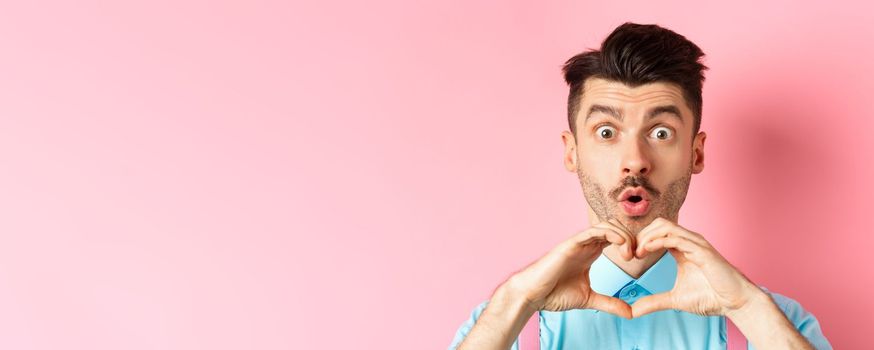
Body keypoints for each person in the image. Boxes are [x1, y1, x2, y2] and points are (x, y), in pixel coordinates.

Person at [448, 22, 831, 350]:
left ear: (695, 154)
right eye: (606, 132)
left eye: (661, 132)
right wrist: (519, 299)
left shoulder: (775, 324)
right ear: (572, 153)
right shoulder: (506, 325)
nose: (635, 159)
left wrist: (747, 307)